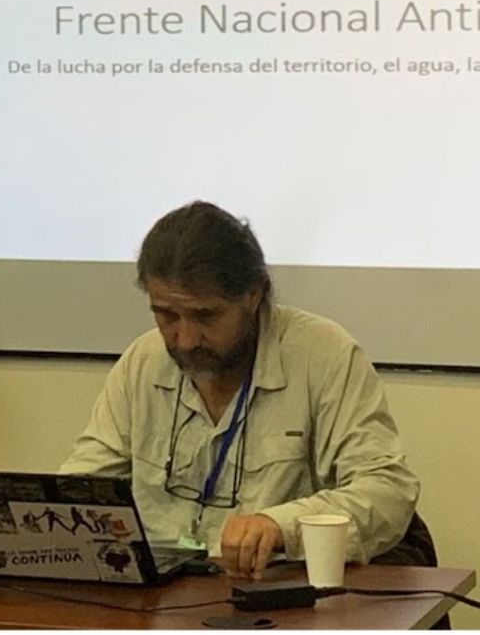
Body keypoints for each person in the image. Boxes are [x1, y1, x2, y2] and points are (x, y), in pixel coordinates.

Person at [61, 201, 419, 581]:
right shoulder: (143, 359)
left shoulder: (324, 355)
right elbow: (82, 485)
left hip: (274, 592)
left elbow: (388, 491)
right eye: (166, 315)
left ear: (254, 294)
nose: (184, 339)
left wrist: (280, 526)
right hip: (158, 596)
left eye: (205, 316)